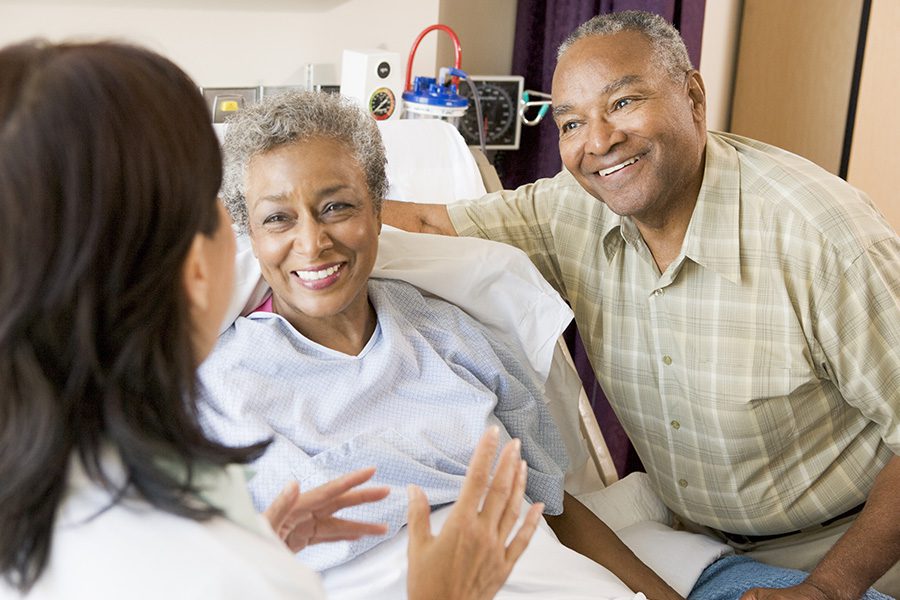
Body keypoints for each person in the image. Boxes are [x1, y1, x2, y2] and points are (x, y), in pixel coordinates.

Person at [0, 40, 547, 600]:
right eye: (210, 198)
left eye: (337, 206)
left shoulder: (64, 480)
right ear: (190, 266)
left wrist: (261, 546)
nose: (309, 241)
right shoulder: (180, 501)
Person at [382, 10, 900, 600]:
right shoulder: (570, 211)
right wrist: (281, 227)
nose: (598, 142)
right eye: (571, 122)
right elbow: (425, 222)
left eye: (623, 103)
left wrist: (830, 588)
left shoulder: (825, 241)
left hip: (855, 546)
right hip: (698, 543)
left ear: (694, 97)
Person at [199, 89, 679, 599]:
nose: (313, 241)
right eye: (278, 218)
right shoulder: (222, 386)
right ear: (246, 231)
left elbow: (551, 501)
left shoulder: (452, 334)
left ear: (377, 211)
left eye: (337, 207)